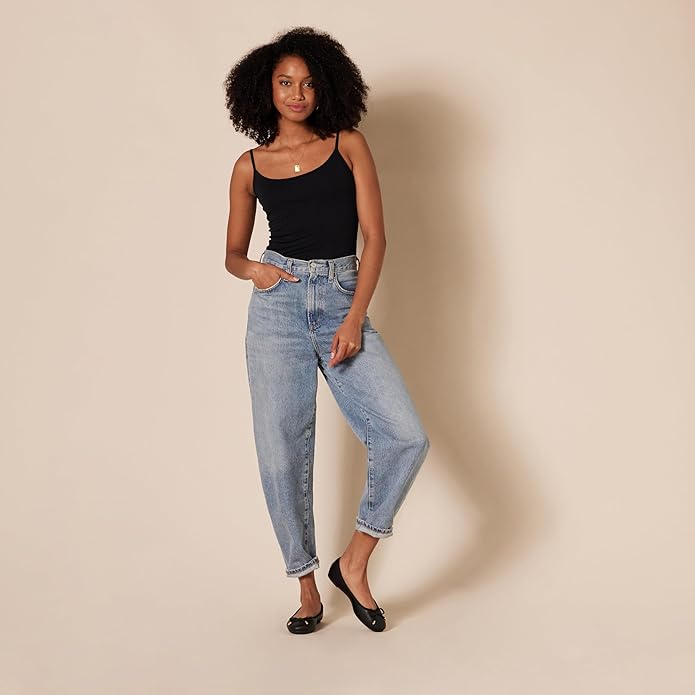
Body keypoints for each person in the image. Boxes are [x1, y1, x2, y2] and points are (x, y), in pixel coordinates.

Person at [223, 26, 430, 634]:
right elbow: (232, 254)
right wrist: (255, 270)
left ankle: (353, 563)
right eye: (285, 82)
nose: (297, 93)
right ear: (265, 89)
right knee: (281, 453)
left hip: (342, 295)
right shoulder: (249, 166)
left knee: (405, 437)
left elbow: (376, 237)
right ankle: (307, 588)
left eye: (308, 83)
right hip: (277, 308)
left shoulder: (349, 145)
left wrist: (354, 316)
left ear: (326, 89)